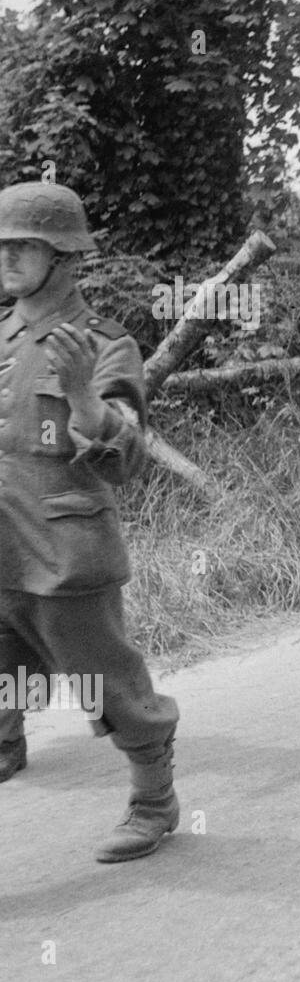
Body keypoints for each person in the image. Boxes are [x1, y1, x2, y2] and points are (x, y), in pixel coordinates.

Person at [0, 181, 180, 863]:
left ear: (65, 256)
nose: (8, 256)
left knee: (108, 683)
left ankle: (155, 799)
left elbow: (121, 460)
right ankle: (6, 743)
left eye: (25, 245)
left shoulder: (106, 346)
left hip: (64, 552)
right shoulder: (3, 334)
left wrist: (81, 397)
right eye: (3, 244)